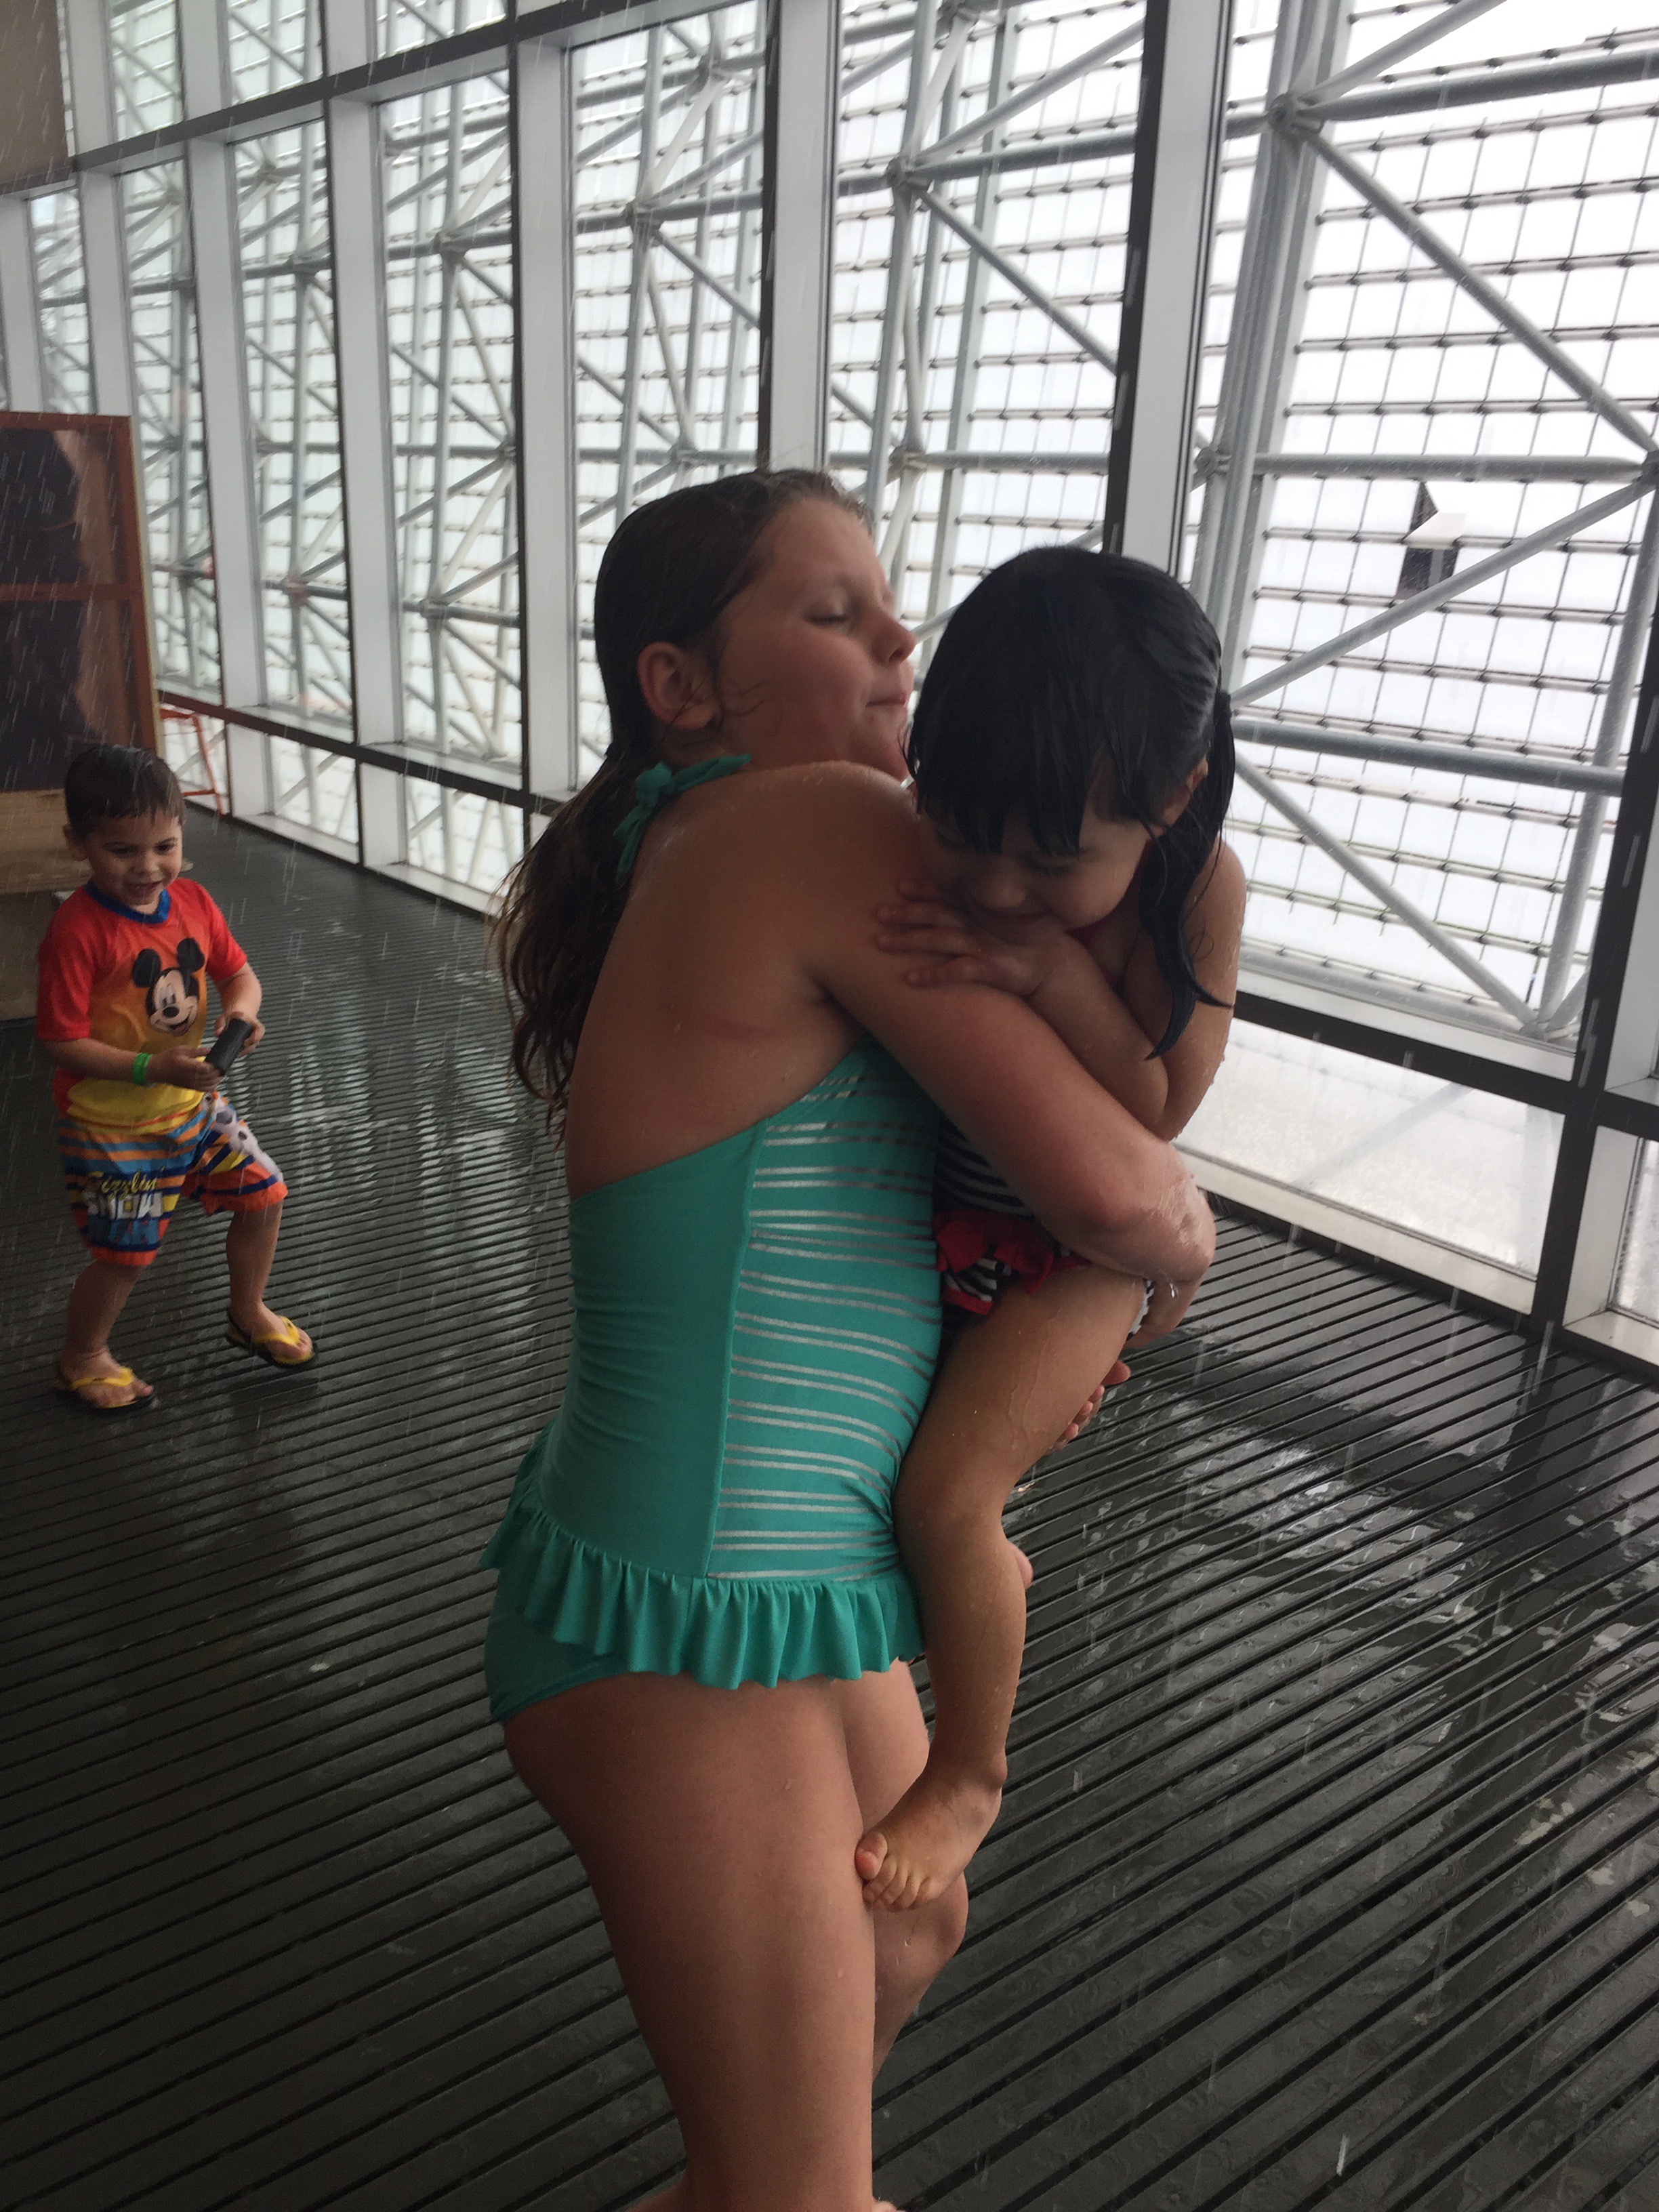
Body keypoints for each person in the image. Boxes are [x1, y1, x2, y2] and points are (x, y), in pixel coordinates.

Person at [483, 470, 1216, 2212]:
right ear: (681, 687)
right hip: (685, 1616)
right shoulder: (808, 825)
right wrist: (1182, 1238)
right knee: (804, 2185)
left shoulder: (720, 839)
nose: (902, 639)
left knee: (908, 1931)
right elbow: (1130, 1195)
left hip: (780, 1594)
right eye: (834, 613)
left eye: (892, 602)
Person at [850, 549, 1245, 1912]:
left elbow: (1161, 1105)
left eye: (1052, 862)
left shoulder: (1196, 889)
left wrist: (1049, 973)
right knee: (880, 1488)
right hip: (932, 1207)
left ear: (1172, 797)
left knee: (944, 1497)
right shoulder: (921, 828)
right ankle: (955, 1615)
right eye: (961, 834)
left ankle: (970, 1767)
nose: (998, 887)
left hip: (1082, 1260)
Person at [36, 743, 312, 1412]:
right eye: (122, 850)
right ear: (78, 844)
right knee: (124, 1256)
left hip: (192, 1106)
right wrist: (148, 1067)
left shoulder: (192, 902)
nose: (148, 867)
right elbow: (60, 1041)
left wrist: (241, 1014)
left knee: (264, 1195)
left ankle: (247, 1310)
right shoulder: (78, 930)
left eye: (164, 846)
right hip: (112, 1127)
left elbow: (239, 975)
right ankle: (82, 1356)